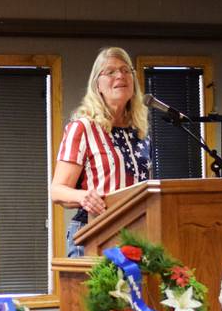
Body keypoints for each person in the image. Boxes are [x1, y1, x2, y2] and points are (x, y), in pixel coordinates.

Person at [51, 47, 152, 257]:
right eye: (111, 72)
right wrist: (83, 196)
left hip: (135, 235)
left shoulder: (140, 133)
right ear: (97, 85)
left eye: (126, 70)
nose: (120, 76)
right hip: (94, 233)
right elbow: (57, 191)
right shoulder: (83, 128)